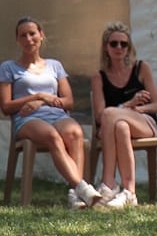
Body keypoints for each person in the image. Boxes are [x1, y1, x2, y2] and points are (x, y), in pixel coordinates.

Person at [0, 16, 101, 209]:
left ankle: (75, 195)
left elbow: (68, 102)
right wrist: (37, 97)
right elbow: (5, 106)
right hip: (27, 119)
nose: (29, 39)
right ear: (17, 40)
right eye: (23, 35)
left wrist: (46, 100)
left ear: (41, 35)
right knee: (52, 136)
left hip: (57, 115)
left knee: (75, 132)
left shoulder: (55, 65)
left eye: (32, 33)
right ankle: (82, 187)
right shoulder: (8, 68)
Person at [91, 21, 157, 208]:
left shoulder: (141, 68)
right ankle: (130, 192)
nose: (119, 48)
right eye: (114, 43)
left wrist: (138, 109)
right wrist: (129, 105)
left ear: (129, 47)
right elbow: (98, 116)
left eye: (124, 44)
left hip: (144, 122)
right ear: (106, 47)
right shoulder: (99, 77)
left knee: (110, 116)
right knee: (119, 124)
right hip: (115, 126)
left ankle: (108, 184)